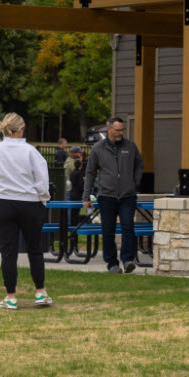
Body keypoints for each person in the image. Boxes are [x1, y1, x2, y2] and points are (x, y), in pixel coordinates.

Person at [0, 113, 52, 310]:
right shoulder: (30, 151)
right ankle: (40, 292)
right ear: (21, 129)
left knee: (8, 251)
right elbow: (41, 178)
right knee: (34, 248)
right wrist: (43, 199)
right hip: (29, 202)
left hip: (3, 201)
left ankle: (11, 296)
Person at [82, 117, 144, 274]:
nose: (121, 133)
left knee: (128, 228)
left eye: (123, 130)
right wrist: (86, 196)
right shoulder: (98, 148)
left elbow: (139, 165)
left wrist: (134, 183)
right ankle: (112, 264)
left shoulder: (130, 146)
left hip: (127, 196)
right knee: (108, 231)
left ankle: (128, 260)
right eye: (118, 130)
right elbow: (90, 173)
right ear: (109, 129)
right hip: (106, 196)